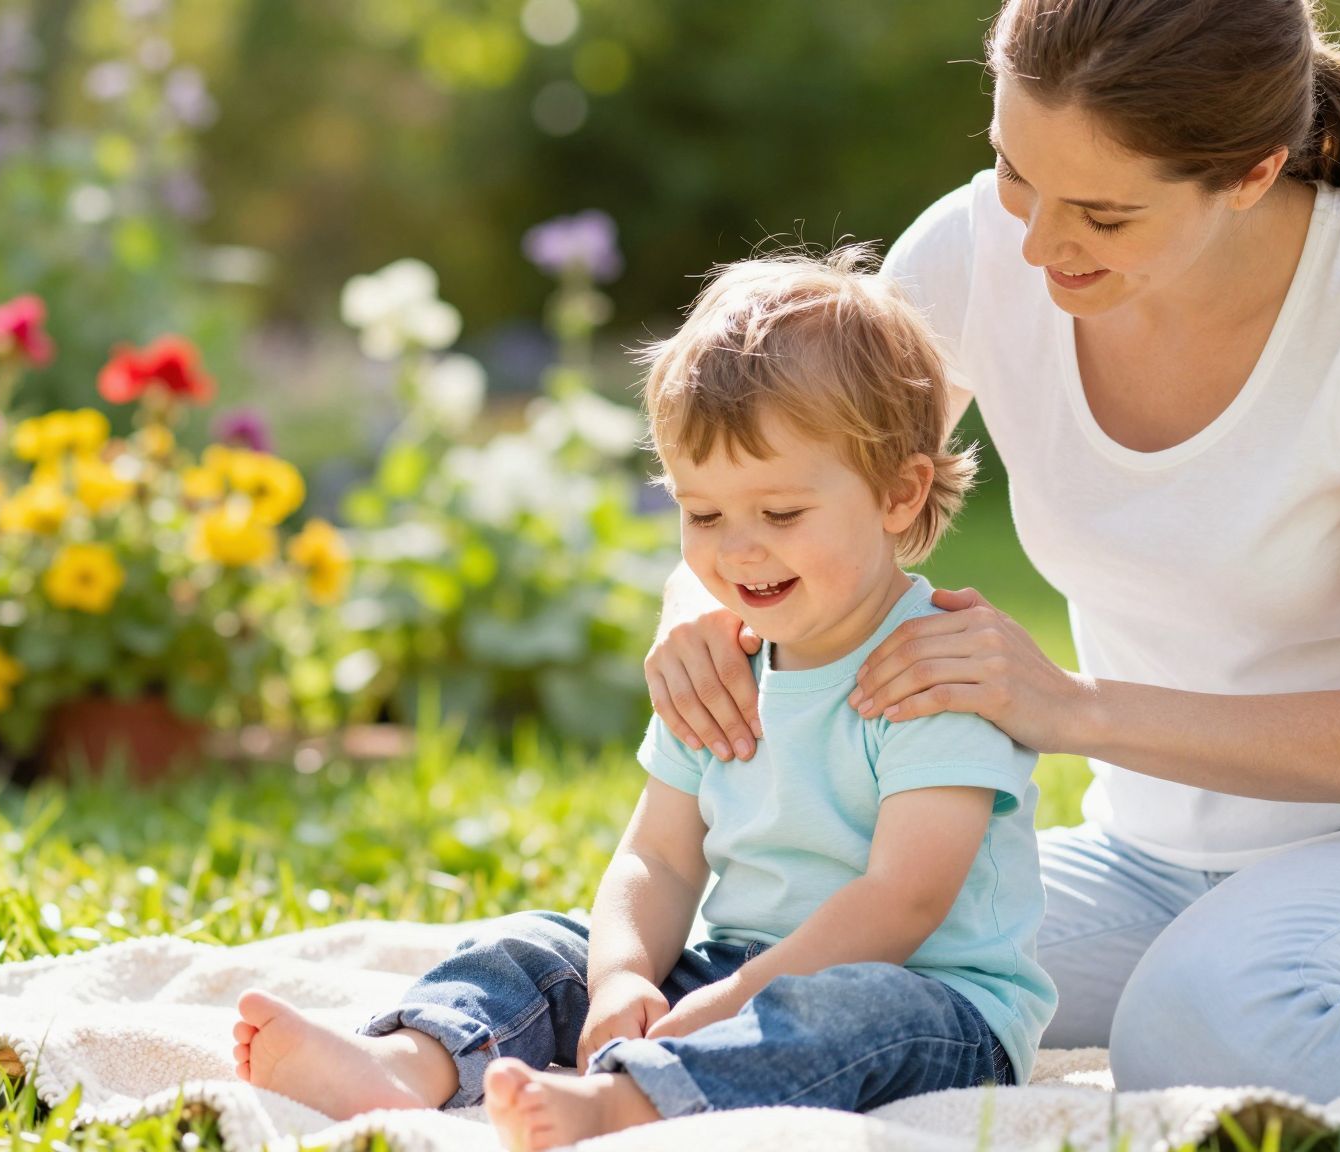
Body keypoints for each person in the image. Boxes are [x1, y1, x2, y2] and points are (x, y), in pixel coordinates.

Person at [641, 0, 1340, 1102]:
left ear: (1250, 174)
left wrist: (1069, 708)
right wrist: (693, 613)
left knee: (1202, 1026)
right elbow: (785, 473)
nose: (1034, 240)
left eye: (1102, 213)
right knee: (819, 946)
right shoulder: (976, 252)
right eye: (1013, 169)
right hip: (1145, 859)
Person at [229, 252, 1055, 1149]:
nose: (738, 552)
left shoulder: (937, 666)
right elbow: (658, 858)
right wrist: (625, 974)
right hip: (733, 966)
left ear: (901, 493)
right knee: (542, 946)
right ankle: (409, 1064)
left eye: (780, 515)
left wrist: (733, 1004)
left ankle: (626, 1105)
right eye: (704, 515)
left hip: (929, 1006)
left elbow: (903, 901)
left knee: (843, 1012)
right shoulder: (722, 659)